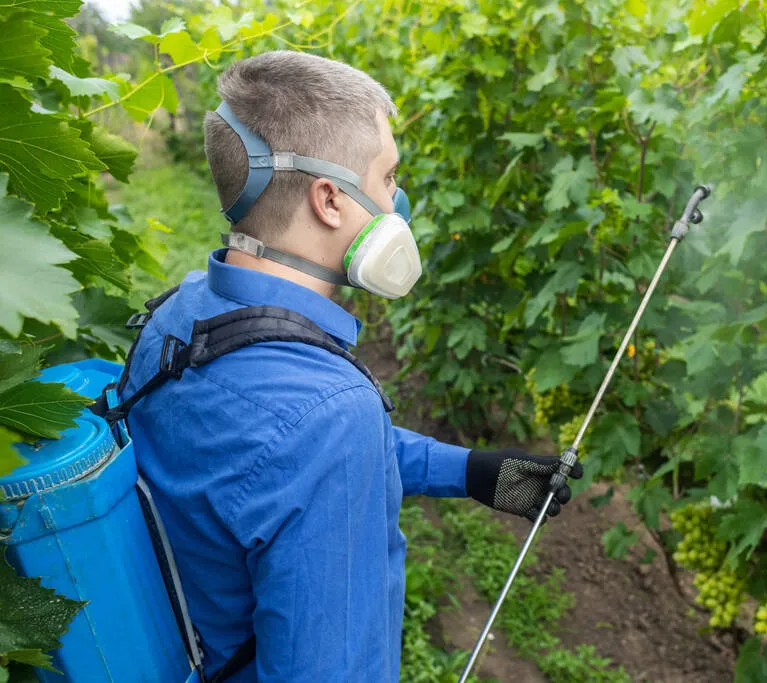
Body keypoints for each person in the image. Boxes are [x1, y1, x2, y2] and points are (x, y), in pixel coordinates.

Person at [120, 50, 583, 682]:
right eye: (389, 177)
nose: (399, 201)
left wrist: (469, 471)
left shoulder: (178, 312)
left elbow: (263, 465)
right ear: (330, 201)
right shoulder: (329, 415)